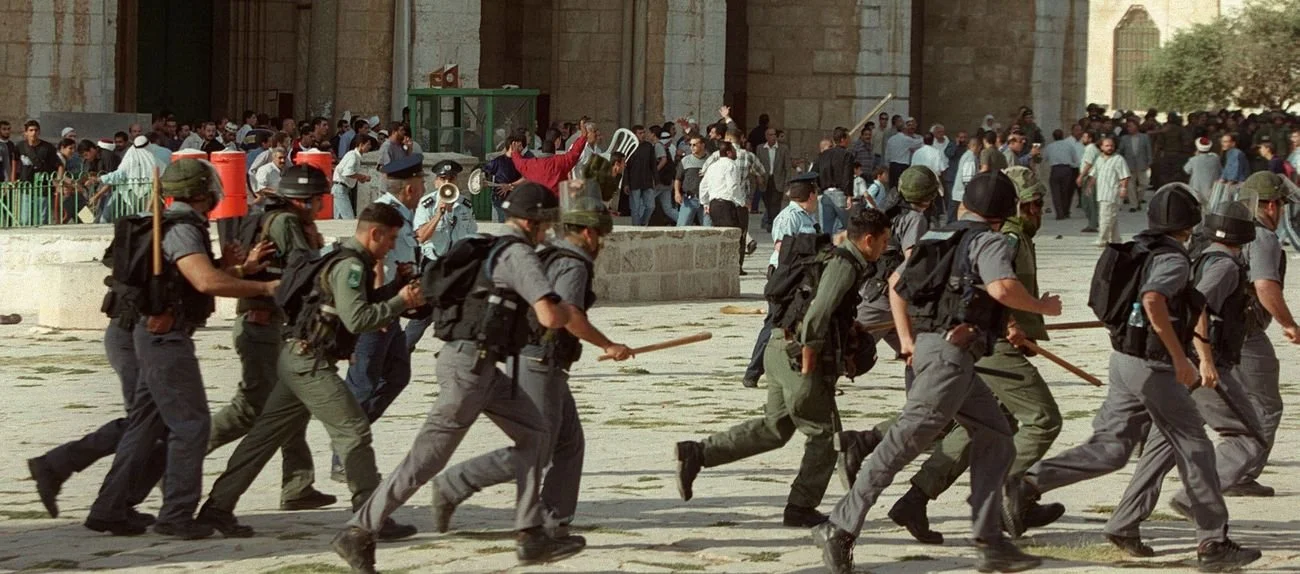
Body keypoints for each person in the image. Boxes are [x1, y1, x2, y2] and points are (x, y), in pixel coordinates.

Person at [814, 172, 1062, 574]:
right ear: (1003, 212)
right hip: (950, 358)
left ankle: (990, 540)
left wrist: (908, 341)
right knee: (901, 445)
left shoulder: (938, 235)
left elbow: (896, 284)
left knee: (997, 437)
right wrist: (1042, 306)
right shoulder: (990, 241)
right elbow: (1001, 288)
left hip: (945, 353)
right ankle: (839, 526)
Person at [1010, 185, 1262, 572]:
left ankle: (1028, 483)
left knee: (1112, 448)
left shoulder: (1142, 248)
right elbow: (1152, 299)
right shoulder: (1173, 259)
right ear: (1190, 224)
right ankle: (1212, 542)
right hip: (1155, 368)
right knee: (1196, 449)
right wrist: (1180, 358)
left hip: (1124, 361)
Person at [333, 184, 579, 572]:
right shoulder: (518, 254)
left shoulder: (491, 244)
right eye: (545, 224)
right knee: (425, 459)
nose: (547, 232)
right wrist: (569, 312)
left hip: (478, 364)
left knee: (536, 434)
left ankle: (530, 534)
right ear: (532, 222)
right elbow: (549, 316)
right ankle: (359, 530)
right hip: (470, 369)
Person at [197, 203, 426, 540]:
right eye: (390, 239)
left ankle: (217, 507)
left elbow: (353, 305)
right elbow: (358, 319)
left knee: (264, 437)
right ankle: (370, 516)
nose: (392, 246)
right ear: (375, 234)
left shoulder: (348, 260)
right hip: (311, 364)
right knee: (353, 431)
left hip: (297, 358)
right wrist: (402, 301)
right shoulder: (351, 266)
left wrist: (395, 287)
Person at [84, 159, 279, 538]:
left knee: (144, 424)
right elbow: (205, 282)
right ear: (202, 193)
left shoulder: (172, 223)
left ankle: (110, 508)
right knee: (191, 425)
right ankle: (176, 516)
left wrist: (235, 269)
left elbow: (187, 280)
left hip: (155, 335)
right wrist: (264, 288)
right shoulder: (184, 228)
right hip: (165, 339)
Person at [428, 185, 633, 541]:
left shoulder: (552, 253)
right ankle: (455, 483)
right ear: (588, 233)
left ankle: (554, 517)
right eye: (600, 236)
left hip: (545, 359)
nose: (601, 244)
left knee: (569, 443)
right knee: (538, 447)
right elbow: (569, 316)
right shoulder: (573, 264)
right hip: (539, 359)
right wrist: (609, 345)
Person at [882, 166, 1064, 545]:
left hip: (981, 343)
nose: (1039, 211)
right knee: (1042, 419)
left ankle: (915, 500)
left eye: (1040, 204)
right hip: (991, 345)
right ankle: (1005, 494)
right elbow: (993, 286)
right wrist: (1017, 320)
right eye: (1033, 204)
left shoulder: (1010, 235)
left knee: (983, 427)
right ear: (1016, 206)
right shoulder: (1003, 238)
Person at [678, 206, 891, 526]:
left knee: (774, 428)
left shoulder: (834, 256)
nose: (885, 248)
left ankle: (698, 453)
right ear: (869, 239)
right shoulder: (844, 264)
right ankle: (800, 507)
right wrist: (810, 356)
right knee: (824, 435)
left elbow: (823, 308)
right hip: (798, 357)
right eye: (884, 242)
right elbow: (818, 312)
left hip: (778, 348)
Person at [1101, 198, 1265, 557]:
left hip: (1180, 367)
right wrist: (1204, 361)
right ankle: (1197, 507)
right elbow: (1198, 308)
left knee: (1161, 449)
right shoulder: (1224, 267)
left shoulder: (1204, 256)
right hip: (1204, 367)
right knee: (1248, 438)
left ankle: (1124, 523)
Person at [204, 164, 336, 515]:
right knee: (249, 410)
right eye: (317, 200)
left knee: (291, 404)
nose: (319, 207)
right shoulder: (288, 223)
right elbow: (306, 272)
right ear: (304, 200)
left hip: (268, 326)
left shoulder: (280, 218)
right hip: (260, 326)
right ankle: (176, 455)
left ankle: (298, 485)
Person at [334, 153, 424, 481]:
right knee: (362, 384)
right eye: (421, 183)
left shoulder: (401, 214)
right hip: (376, 312)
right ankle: (344, 456)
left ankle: (354, 437)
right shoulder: (385, 215)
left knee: (397, 375)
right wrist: (380, 311)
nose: (424, 188)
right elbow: (374, 263)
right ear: (410, 188)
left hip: (391, 309)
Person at [1230, 172, 1300, 496]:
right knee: (1266, 406)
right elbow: (1265, 286)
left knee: (1206, 401)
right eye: (1281, 204)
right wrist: (1289, 324)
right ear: (1272, 205)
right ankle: (1238, 475)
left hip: (1208, 331)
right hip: (1244, 334)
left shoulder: (1228, 230)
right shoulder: (1263, 237)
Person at [742, 174, 823, 388]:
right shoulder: (789, 217)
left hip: (803, 276)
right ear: (810, 195)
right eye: (815, 194)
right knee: (775, 323)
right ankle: (753, 372)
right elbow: (783, 248)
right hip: (786, 277)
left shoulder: (808, 217)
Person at [405, 160, 477, 351]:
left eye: (451, 178)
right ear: (436, 182)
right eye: (443, 178)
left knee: (461, 311)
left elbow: (471, 235)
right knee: (424, 313)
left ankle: (456, 353)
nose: (447, 183)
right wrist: (438, 215)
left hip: (457, 266)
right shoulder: (426, 204)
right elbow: (421, 236)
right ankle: (402, 349)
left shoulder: (465, 205)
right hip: (434, 264)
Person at [700, 142, 750, 274]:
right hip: (727, 205)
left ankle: (722, 265)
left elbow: (703, 186)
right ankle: (733, 267)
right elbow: (733, 186)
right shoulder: (731, 165)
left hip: (714, 204)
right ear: (728, 152)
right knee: (734, 236)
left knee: (721, 236)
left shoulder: (712, 166)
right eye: (734, 150)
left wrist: (705, 203)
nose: (736, 152)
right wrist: (742, 203)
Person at [1092, 136, 1132, 246]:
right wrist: (1089, 186)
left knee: (1105, 218)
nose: (1110, 148)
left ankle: (1102, 239)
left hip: (1112, 193)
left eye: (1111, 146)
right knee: (1111, 217)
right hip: (1101, 193)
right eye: (1107, 146)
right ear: (1101, 147)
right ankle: (1116, 240)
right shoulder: (1099, 159)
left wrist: (1123, 188)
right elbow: (1094, 174)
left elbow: (1125, 176)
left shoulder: (1119, 159)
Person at [816, 127, 856, 234]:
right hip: (840, 194)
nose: (850, 140)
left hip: (826, 194)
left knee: (827, 230)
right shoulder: (847, 155)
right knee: (850, 228)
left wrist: (820, 187)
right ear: (843, 139)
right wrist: (849, 196)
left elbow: (815, 173)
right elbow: (847, 176)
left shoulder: (823, 155)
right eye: (848, 137)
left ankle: (826, 245)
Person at [331, 135, 375, 220]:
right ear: (361, 144)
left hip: (340, 188)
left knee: (339, 220)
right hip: (340, 189)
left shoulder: (354, 156)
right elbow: (347, 173)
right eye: (368, 144)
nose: (370, 147)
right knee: (349, 219)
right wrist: (362, 176)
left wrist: (359, 178)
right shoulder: (353, 156)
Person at [1044, 129, 1081, 220]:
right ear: (1063, 135)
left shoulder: (1050, 146)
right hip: (1067, 169)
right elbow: (1075, 159)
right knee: (1066, 192)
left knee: (1056, 193)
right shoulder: (1069, 145)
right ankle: (1065, 211)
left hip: (1055, 169)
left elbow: (1045, 158)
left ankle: (1059, 213)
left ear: (1053, 137)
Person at [674, 134, 709, 226]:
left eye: (694, 145)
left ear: (702, 145)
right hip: (689, 199)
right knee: (682, 227)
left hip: (706, 200)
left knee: (708, 228)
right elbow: (678, 178)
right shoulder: (685, 160)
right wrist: (677, 193)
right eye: (690, 145)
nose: (692, 147)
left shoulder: (710, 161)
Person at [1184, 137, 1222, 210]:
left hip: (1196, 190)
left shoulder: (1193, 160)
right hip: (1212, 190)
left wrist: (1196, 156)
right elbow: (1220, 171)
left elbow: (1186, 170)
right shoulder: (1216, 159)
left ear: (1197, 148)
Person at [1076, 131, 1101, 233]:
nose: (1082, 139)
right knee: (1086, 202)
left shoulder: (1090, 148)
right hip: (1089, 177)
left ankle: (1093, 224)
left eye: (1084, 137)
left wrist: (1080, 177)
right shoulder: (1089, 148)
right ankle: (1093, 222)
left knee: (1089, 202)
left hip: (1090, 177)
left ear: (1090, 139)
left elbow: (1088, 164)